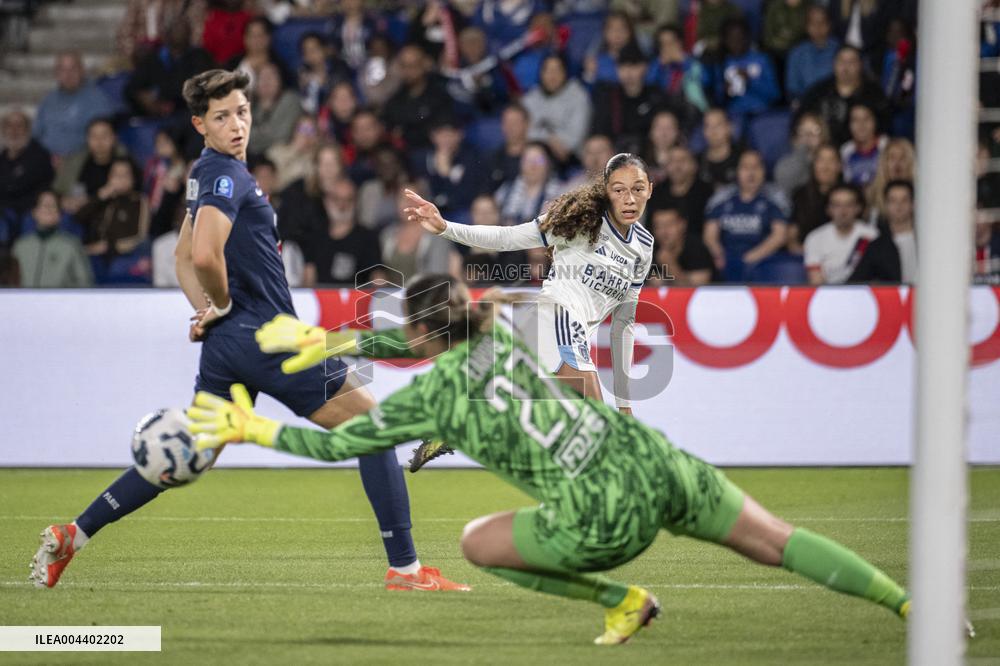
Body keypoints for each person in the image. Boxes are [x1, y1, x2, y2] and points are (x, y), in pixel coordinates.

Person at [185, 273, 913, 646]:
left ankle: (623, 600)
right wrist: (338, 343)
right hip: (653, 461)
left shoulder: (432, 398)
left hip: (604, 517)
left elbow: (335, 442)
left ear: (421, 336)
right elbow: (421, 337)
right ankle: (910, 605)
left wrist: (251, 427)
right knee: (776, 541)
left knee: (479, 543)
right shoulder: (500, 329)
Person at [29, 69, 467, 594]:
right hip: (265, 336)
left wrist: (210, 312)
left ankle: (73, 534)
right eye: (221, 117)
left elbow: (181, 258)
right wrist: (223, 304)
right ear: (200, 123)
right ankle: (407, 571)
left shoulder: (204, 173)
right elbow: (203, 255)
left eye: (241, 112)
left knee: (193, 453)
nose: (236, 124)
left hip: (227, 348)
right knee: (373, 431)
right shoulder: (225, 178)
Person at [409, 152, 653, 409]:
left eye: (638, 189)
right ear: (605, 190)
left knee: (555, 429)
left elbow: (623, 324)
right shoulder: (582, 220)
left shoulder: (644, 246)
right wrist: (446, 227)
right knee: (598, 424)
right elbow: (508, 238)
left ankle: (462, 413)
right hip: (557, 321)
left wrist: (625, 403)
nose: (629, 199)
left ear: (650, 189)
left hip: (558, 335)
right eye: (618, 190)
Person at [703, 150, 789, 282]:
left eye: (756, 167)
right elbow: (710, 235)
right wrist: (720, 255)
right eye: (745, 168)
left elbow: (779, 236)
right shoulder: (722, 198)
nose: (751, 173)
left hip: (763, 263)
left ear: (764, 171)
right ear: (737, 172)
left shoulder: (775, 198)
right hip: (725, 262)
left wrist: (749, 259)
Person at [803, 183, 897, 285]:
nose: (843, 211)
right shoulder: (815, 238)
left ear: (858, 208)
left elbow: (879, 277)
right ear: (828, 209)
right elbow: (816, 282)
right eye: (837, 205)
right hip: (829, 296)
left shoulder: (871, 235)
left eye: (849, 205)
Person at [798, 45, 888, 146]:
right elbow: (800, 120)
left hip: (862, 152)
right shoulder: (818, 91)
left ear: (860, 65)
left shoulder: (874, 93)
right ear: (834, 64)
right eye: (841, 61)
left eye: (851, 62)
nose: (846, 67)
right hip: (823, 153)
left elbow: (884, 129)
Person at [301, 176, 382, 286]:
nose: (342, 205)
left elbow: (378, 278)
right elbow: (308, 279)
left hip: (355, 301)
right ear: (326, 201)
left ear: (356, 203)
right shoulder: (316, 237)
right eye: (337, 199)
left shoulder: (368, 238)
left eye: (348, 199)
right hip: (319, 300)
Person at [590, 43, 668, 155]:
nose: (628, 72)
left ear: (644, 67)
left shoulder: (656, 95)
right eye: (623, 66)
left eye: (633, 65)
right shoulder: (607, 96)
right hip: (615, 155)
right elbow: (600, 131)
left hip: (650, 153)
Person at [32, 51, 114, 157]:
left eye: (73, 69)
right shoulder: (48, 100)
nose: (68, 74)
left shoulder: (97, 100)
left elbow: (101, 141)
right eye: (63, 70)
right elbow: (37, 134)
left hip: (81, 161)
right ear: (56, 73)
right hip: (47, 160)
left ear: (82, 71)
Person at [381, 183, 462, 284]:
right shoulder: (387, 235)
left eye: (413, 199)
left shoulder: (437, 235)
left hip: (425, 296)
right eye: (403, 199)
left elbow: (437, 277)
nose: (408, 204)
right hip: (392, 296)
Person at [522, 54, 592, 167]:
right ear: (541, 74)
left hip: (569, 158)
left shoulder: (578, 95)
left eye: (557, 70)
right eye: (548, 70)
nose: (552, 76)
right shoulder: (530, 98)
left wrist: (546, 137)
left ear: (565, 73)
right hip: (537, 155)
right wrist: (549, 138)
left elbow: (575, 138)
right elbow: (523, 132)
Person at [12, 191, 93, 287]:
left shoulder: (71, 245)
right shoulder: (20, 246)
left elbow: (85, 282)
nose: (48, 210)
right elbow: (10, 281)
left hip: (60, 301)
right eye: (44, 205)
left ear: (59, 215)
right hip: (22, 301)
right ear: (35, 212)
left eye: (52, 206)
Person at [713, 18, 780, 122]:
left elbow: (775, 94)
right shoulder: (722, 63)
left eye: (741, 37)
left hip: (761, 113)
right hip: (734, 116)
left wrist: (750, 82)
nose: (737, 42)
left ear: (748, 37)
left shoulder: (762, 59)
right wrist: (724, 91)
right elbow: (717, 100)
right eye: (731, 38)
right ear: (725, 41)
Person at [648, 145, 714, 242]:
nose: (677, 166)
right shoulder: (656, 192)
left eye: (683, 160)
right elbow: (649, 229)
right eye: (672, 161)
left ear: (694, 165)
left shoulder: (706, 192)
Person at [0, 110, 54, 222]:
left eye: (19, 126)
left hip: (30, 214)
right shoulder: (3, 157)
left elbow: (39, 190)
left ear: (28, 130)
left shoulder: (40, 156)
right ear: (3, 130)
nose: (13, 131)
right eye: (9, 125)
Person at [494, 142, 564, 227]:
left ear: (549, 163)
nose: (532, 166)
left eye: (539, 160)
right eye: (528, 160)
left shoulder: (560, 193)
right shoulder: (505, 191)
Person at [463, 193, 527, 285]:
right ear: (472, 215)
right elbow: (456, 276)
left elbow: (513, 278)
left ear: (498, 214)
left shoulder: (512, 245)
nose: (484, 217)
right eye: (480, 212)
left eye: (488, 212)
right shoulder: (461, 243)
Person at [789, 143, 842, 252]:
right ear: (813, 165)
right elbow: (792, 234)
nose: (825, 167)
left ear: (839, 166)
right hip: (805, 253)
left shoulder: (849, 195)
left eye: (831, 160)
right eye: (821, 160)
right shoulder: (800, 194)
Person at [785, 5, 839, 104]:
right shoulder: (797, 53)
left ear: (829, 25)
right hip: (807, 105)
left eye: (822, 23)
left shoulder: (840, 50)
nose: (817, 27)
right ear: (806, 26)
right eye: (813, 23)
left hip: (836, 103)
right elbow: (792, 89)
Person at [647, 207, 713, 286]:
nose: (663, 232)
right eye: (658, 226)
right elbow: (653, 286)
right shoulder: (649, 250)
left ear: (682, 224)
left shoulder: (697, 249)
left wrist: (670, 265)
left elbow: (697, 290)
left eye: (669, 225)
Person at [246, 63, 301, 157]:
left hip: (283, 156)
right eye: (262, 77)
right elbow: (244, 137)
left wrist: (257, 135)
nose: (266, 81)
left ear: (280, 81)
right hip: (252, 158)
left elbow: (282, 136)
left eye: (271, 76)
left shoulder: (290, 101)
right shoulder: (249, 104)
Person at [773, 112, 828, 199]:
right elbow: (786, 188)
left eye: (815, 130)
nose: (808, 136)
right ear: (795, 137)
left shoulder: (831, 160)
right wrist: (801, 155)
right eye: (802, 131)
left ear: (823, 135)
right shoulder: (784, 165)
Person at [873, 179, 916, 284]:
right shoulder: (876, 246)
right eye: (893, 201)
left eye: (904, 200)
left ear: (913, 204)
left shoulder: (928, 243)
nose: (899, 206)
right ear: (885, 205)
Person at [481, 103, 530, 194]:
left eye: (514, 122)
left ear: (526, 124)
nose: (509, 127)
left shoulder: (538, 156)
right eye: (506, 122)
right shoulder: (492, 158)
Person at [839, 103, 887, 187]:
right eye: (855, 120)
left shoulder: (886, 146)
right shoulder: (845, 151)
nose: (861, 125)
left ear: (875, 121)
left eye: (866, 119)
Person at [698, 108, 740, 190]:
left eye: (718, 125)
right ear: (703, 131)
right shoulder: (696, 162)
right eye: (708, 126)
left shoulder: (742, 158)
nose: (713, 131)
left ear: (729, 128)